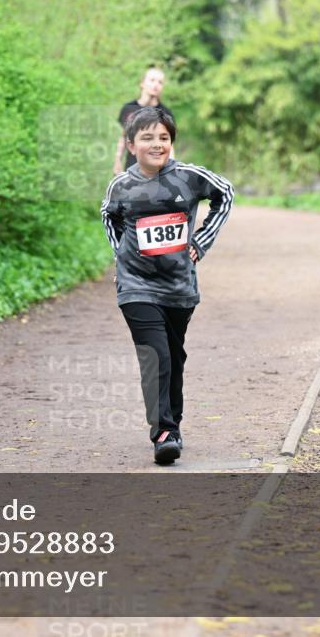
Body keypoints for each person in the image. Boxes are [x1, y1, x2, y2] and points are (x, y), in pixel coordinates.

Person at [101, 107, 233, 464]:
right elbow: (109, 217)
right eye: (147, 138)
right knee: (154, 355)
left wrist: (200, 241)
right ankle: (163, 432)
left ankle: (172, 424)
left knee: (174, 358)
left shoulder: (188, 177)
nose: (156, 144)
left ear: (171, 142)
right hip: (135, 285)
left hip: (178, 287)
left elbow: (226, 194)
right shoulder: (122, 185)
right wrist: (121, 257)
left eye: (163, 137)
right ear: (131, 144)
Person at [113, 67, 174, 175]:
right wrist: (117, 160)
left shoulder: (165, 113)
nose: (156, 85)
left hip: (157, 171)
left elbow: (169, 145)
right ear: (142, 83)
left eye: (160, 82)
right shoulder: (128, 108)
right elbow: (124, 137)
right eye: (152, 80)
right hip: (132, 168)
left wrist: (172, 169)